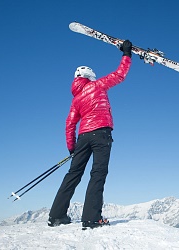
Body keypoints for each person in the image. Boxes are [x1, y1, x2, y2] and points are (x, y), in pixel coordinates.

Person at [48, 40, 133, 229]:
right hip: (101, 134)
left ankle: (56, 216)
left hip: (83, 138)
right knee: (98, 174)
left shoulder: (76, 99)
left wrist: (72, 148)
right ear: (90, 76)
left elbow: (69, 124)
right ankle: (91, 219)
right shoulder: (97, 85)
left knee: (73, 174)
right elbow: (120, 75)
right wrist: (126, 54)